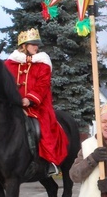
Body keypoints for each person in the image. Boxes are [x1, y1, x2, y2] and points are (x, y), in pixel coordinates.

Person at [4, 28, 68, 174]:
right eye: (33, 44)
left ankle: (48, 162)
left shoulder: (43, 63)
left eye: (37, 44)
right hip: (13, 106)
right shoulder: (9, 64)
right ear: (24, 46)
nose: (36, 47)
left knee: (44, 128)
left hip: (36, 107)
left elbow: (43, 84)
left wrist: (30, 99)